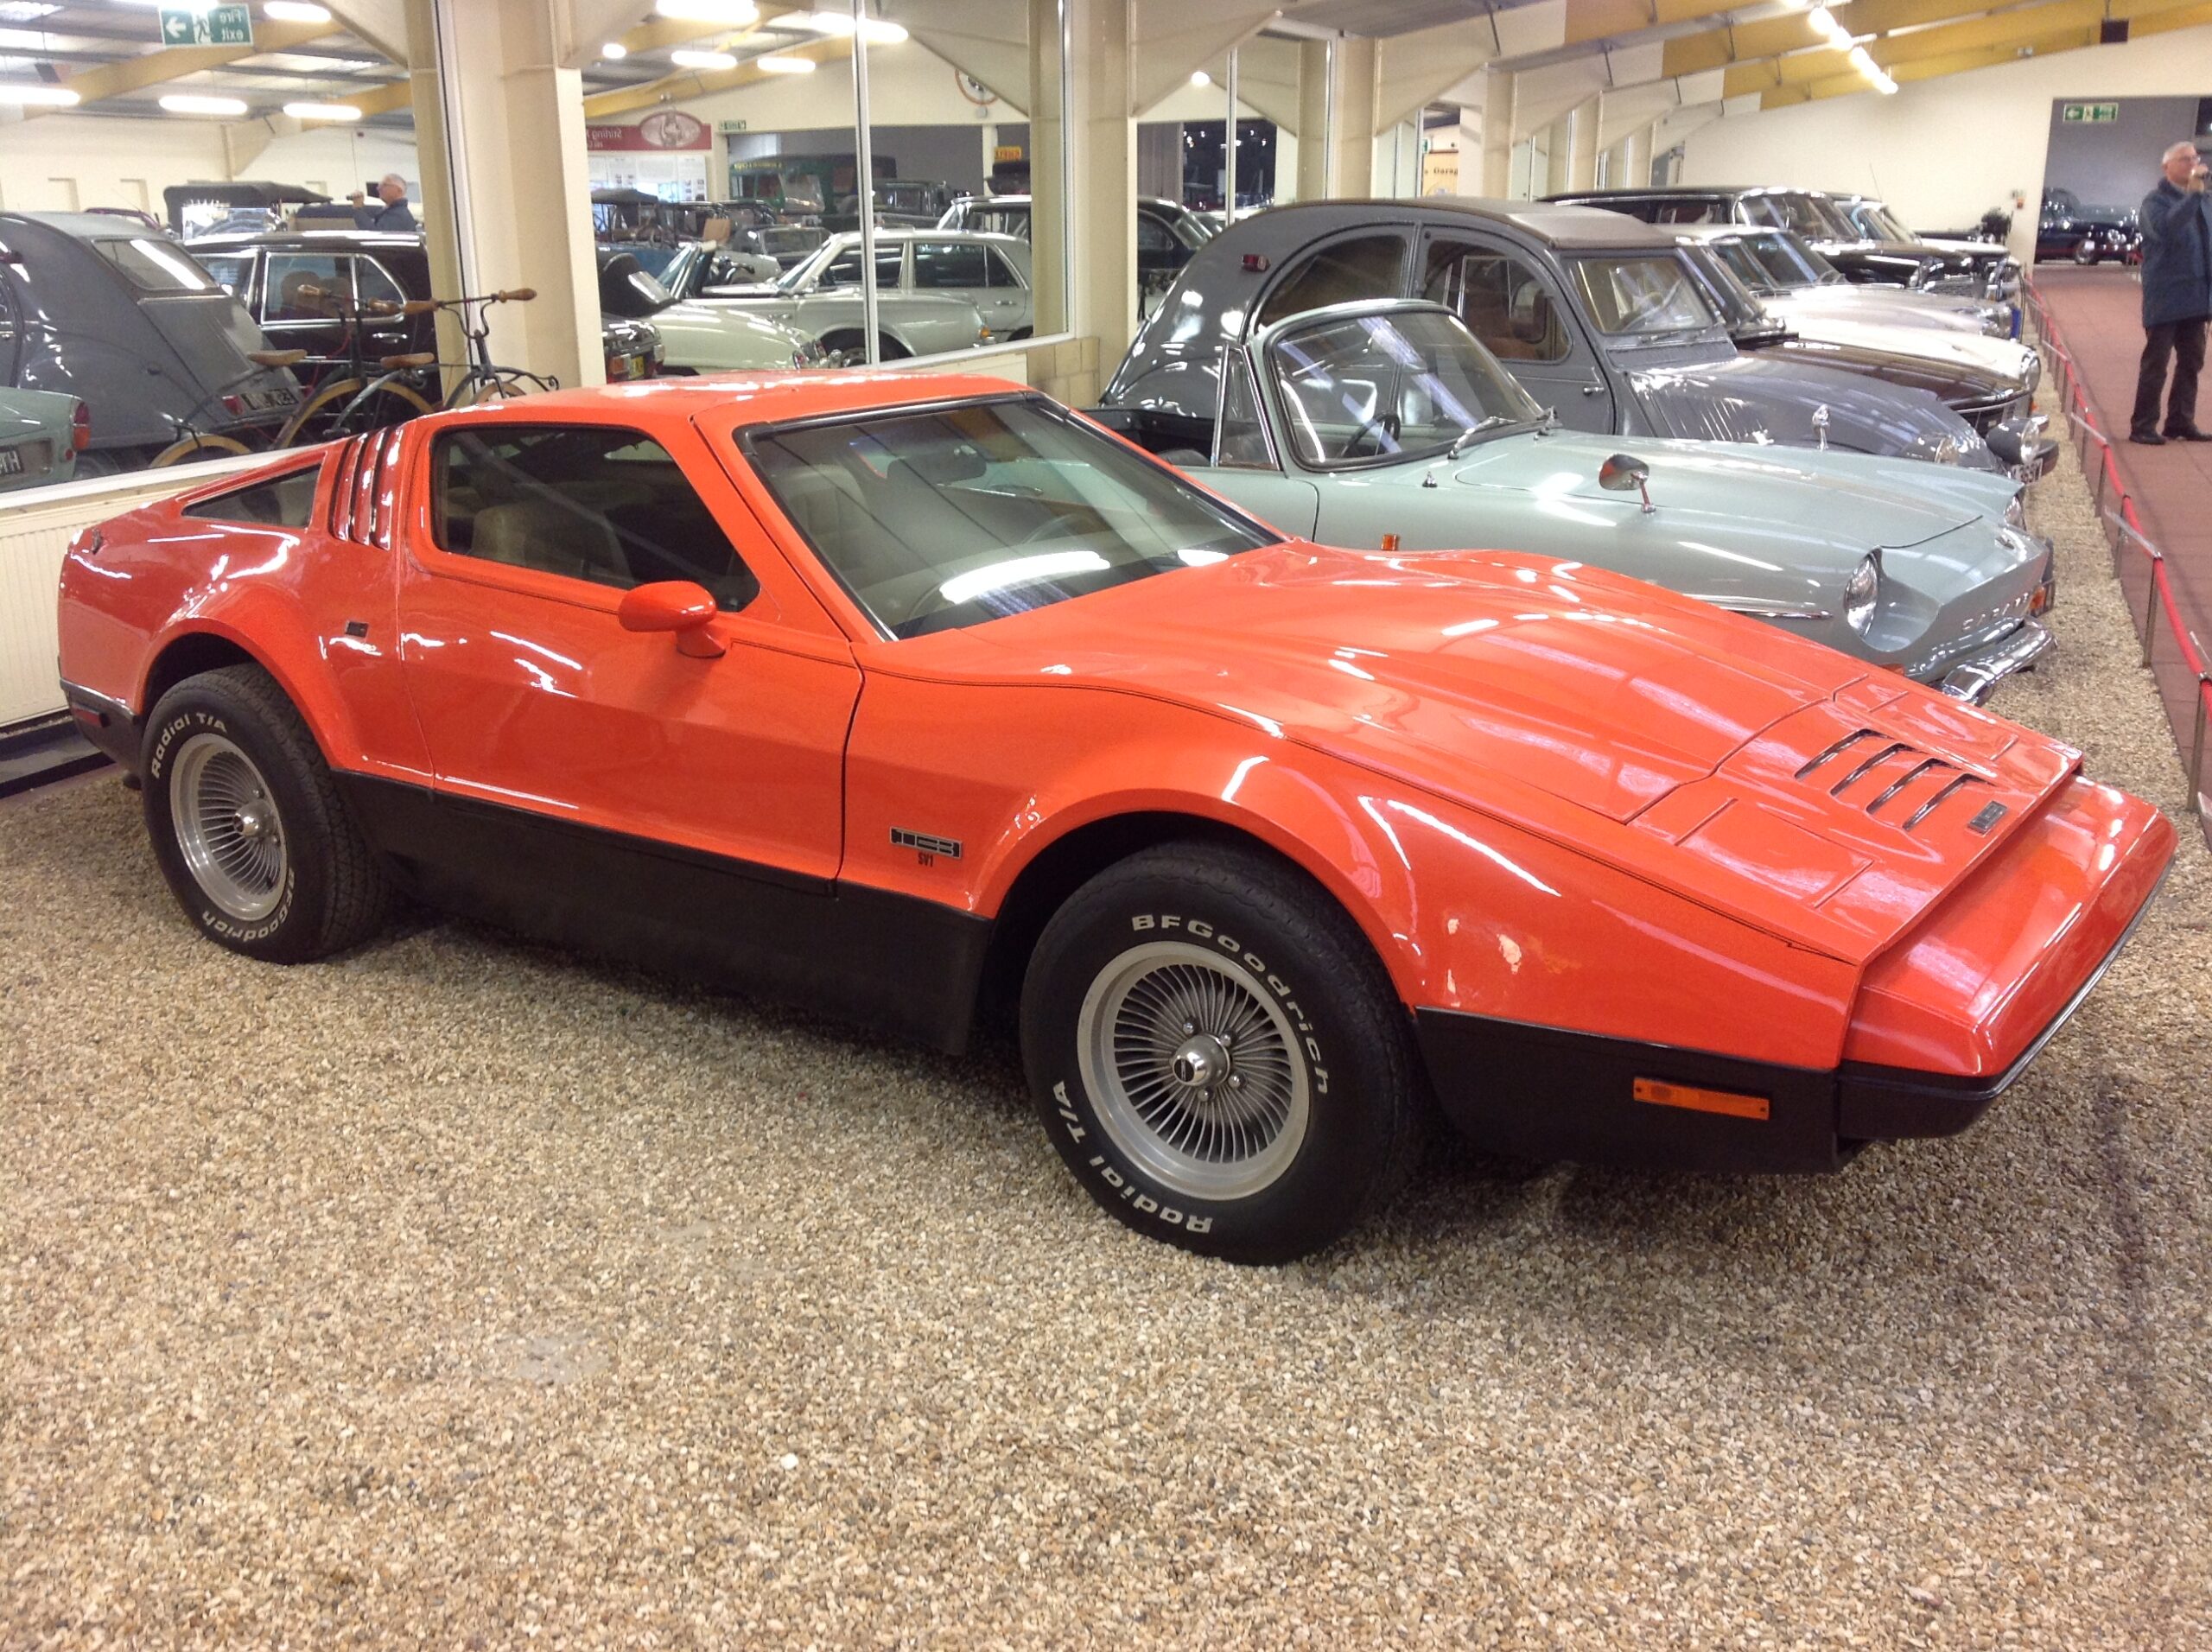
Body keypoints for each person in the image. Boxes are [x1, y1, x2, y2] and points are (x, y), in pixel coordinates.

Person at [2130, 140, 2212, 444]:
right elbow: (2168, 230)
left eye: (2195, 157)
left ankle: (2180, 421)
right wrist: (2192, 195)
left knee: (2192, 362)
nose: (2193, 163)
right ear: (2167, 167)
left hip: (2197, 297)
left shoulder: (2205, 201)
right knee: (2156, 364)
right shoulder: (2155, 203)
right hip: (2165, 297)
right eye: (2184, 159)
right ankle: (2143, 425)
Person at [349, 174, 416, 233]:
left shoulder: (399, 215)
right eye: (379, 185)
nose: (378, 188)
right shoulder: (392, 212)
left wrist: (358, 209)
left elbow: (374, 236)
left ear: (398, 190)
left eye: (384, 185)